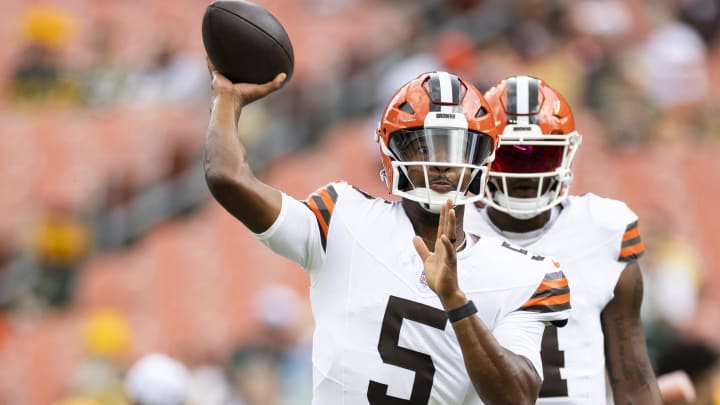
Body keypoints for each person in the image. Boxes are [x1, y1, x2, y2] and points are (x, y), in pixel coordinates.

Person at [204, 65, 572, 404]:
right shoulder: (343, 217)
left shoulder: (525, 276)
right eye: (425, 145)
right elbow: (227, 178)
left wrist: (455, 300)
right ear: (392, 151)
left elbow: (517, 397)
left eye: (456, 147)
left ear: (481, 157)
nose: (442, 161)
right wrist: (226, 100)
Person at [464, 75, 662, 403]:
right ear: (483, 155)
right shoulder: (454, 230)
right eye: (510, 157)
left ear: (566, 155)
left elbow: (633, 377)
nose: (526, 172)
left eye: (541, 156)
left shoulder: (605, 230)